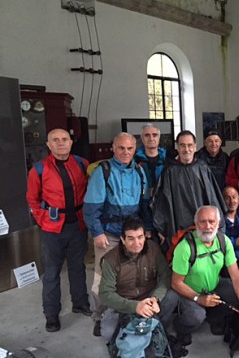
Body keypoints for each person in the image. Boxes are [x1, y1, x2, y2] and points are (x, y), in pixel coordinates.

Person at [84, 132, 152, 336]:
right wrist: (97, 232)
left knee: (134, 274)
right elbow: (91, 207)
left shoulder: (139, 172)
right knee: (103, 276)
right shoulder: (102, 172)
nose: (125, 152)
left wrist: (146, 229)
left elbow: (145, 205)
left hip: (133, 234)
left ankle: (129, 311)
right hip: (109, 234)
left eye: (130, 148)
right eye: (121, 148)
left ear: (135, 149)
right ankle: (99, 316)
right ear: (113, 148)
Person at [26, 128, 91, 332]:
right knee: (52, 271)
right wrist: (43, 220)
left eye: (64, 139)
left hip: (78, 225)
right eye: (55, 140)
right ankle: (51, 314)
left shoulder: (82, 164)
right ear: (48, 145)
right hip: (52, 228)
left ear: (71, 142)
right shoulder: (38, 170)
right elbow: (32, 199)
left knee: (77, 266)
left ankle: (80, 303)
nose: (61, 143)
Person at [170, 206, 239, 345]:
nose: (207, 226)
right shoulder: (185, 247)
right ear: (196, 224)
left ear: (218, 223)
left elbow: (236, 275)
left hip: (213, 285)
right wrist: (199, 298)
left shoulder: (224, 241)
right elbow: (176, 283)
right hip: (189, 291)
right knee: (196, 317)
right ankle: (181, 328)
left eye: (211, 221)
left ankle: (214, 318)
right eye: (202, 222)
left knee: (235, 292)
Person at [98, 217, 177, 339]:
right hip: (124, 302)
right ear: (122, 240)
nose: (137, 243)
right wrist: (135, 306)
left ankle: (156, 327)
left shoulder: (153, 248)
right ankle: (140, 329)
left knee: (172, 296)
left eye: (140, 237)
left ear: (145, 237)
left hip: (149, 297)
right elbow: (105, 294)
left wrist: (155, 298)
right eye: (131, 239)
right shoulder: (110, 259)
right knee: (108, 332)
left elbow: (165, 275)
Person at [152, 130, 226, 247]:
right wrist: (162, 229)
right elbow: (162, 204)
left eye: (190, 145)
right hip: (178, 229)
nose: (187, 150)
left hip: (203, 228)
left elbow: (213, 199)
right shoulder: (169, 172)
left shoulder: (203, 168)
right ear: (177, 147)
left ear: (195, 147)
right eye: (182, 145)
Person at [134, 123, 167, 196]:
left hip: (164, 202)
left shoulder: (168, 160)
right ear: (142, 139)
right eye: (147, 135)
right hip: (141, 203)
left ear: (159, 138)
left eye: (154, 135)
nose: (151, 138)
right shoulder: (134, 161)